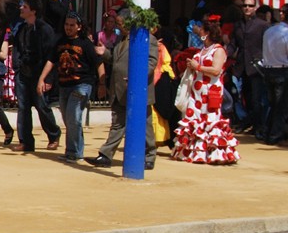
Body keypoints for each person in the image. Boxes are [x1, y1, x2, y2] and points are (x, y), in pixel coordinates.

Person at [86, 11, 159, 170]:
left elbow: (151, 63)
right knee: (117, 124)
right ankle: (106, 155)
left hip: (138, 89)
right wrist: (104, 53)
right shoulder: (122, 39)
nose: (118, 27)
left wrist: (137, 77)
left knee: (144, 125)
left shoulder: (148, 39)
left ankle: (149, 155)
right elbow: (115, 59)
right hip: (119, 89)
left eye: (120, 23)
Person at [172, 15, 239, 164]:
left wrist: (198, 67)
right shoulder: (203, 50)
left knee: (210, 120)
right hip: (197, 93)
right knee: (194, 118)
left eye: (201, 29)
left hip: (210, 92)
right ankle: (193, 152)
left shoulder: (218, 50)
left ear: (207, 33)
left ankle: (214, 153)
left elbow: (216, 70)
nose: (198, 31)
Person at [39, 12, 104, 163]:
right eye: (66, 25)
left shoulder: (85, 43)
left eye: (72, 25)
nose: (68, 28)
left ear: (79, 27)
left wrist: (101, 84)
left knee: (73, 117)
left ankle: (76, 152)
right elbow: (51, 61)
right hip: (64, 86)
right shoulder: (59, 41)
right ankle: (71, 151)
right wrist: (41, 79)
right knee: (69, 119)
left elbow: (98, 62)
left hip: (82, 85)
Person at [9, 0, 62, 152]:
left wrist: (48, 78)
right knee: (23, 107)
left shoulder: (45, 29)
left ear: (33, 11)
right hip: (23, 74)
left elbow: (51, 56)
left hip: (39, 73)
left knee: (42, 106)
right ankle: (25, 141)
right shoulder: (21, 29)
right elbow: (17, 49)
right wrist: (17, 68)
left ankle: (54, 135)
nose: (21, 9)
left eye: (24, 7)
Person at [232, 0, 270, 140]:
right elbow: (233, 44)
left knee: (257, 99)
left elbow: (268, 45)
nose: (247, 8)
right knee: (239, 95)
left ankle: (259, 126)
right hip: (241, 66)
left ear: (255, 8)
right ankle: (248, 122)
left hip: (256, 66)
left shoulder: (262, 25)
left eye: (250, 6)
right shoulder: (238, 25)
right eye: (245, 6)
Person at [259, 3, 288, 145]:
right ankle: (275, 135)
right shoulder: (285, 32)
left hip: (268, 69)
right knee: (280, 105)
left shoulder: (270, 31)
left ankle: (266, 132)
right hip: (282, 70)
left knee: (272, 104)